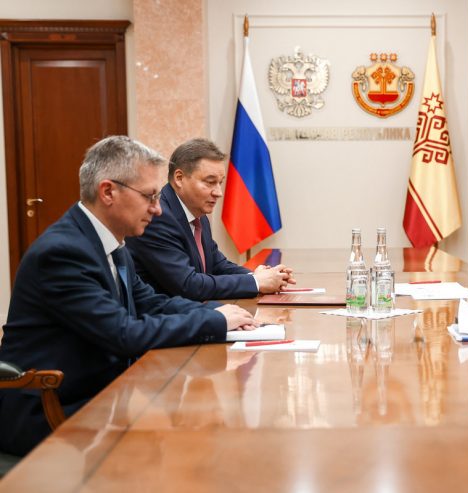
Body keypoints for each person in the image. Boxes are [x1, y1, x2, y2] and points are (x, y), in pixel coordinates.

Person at [0, 136, 256, 455]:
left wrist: (220, 313)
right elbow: (122, 333)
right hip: (54, 409)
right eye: (150, 196)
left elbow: (151, 302)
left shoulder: (112, 242)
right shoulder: (63, 252)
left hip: (106, 395)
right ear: (108, 192)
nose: (158, 209)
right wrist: (214, 322)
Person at [126, 138, 294, 301]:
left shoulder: (198, 215)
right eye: (210, 182)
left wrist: (260, 276)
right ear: (179, 178)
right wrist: (256, 282)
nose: (218, 192)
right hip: (166, 314)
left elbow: (217, 265)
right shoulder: (157, 217)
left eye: (220, 183)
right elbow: (188, 285)